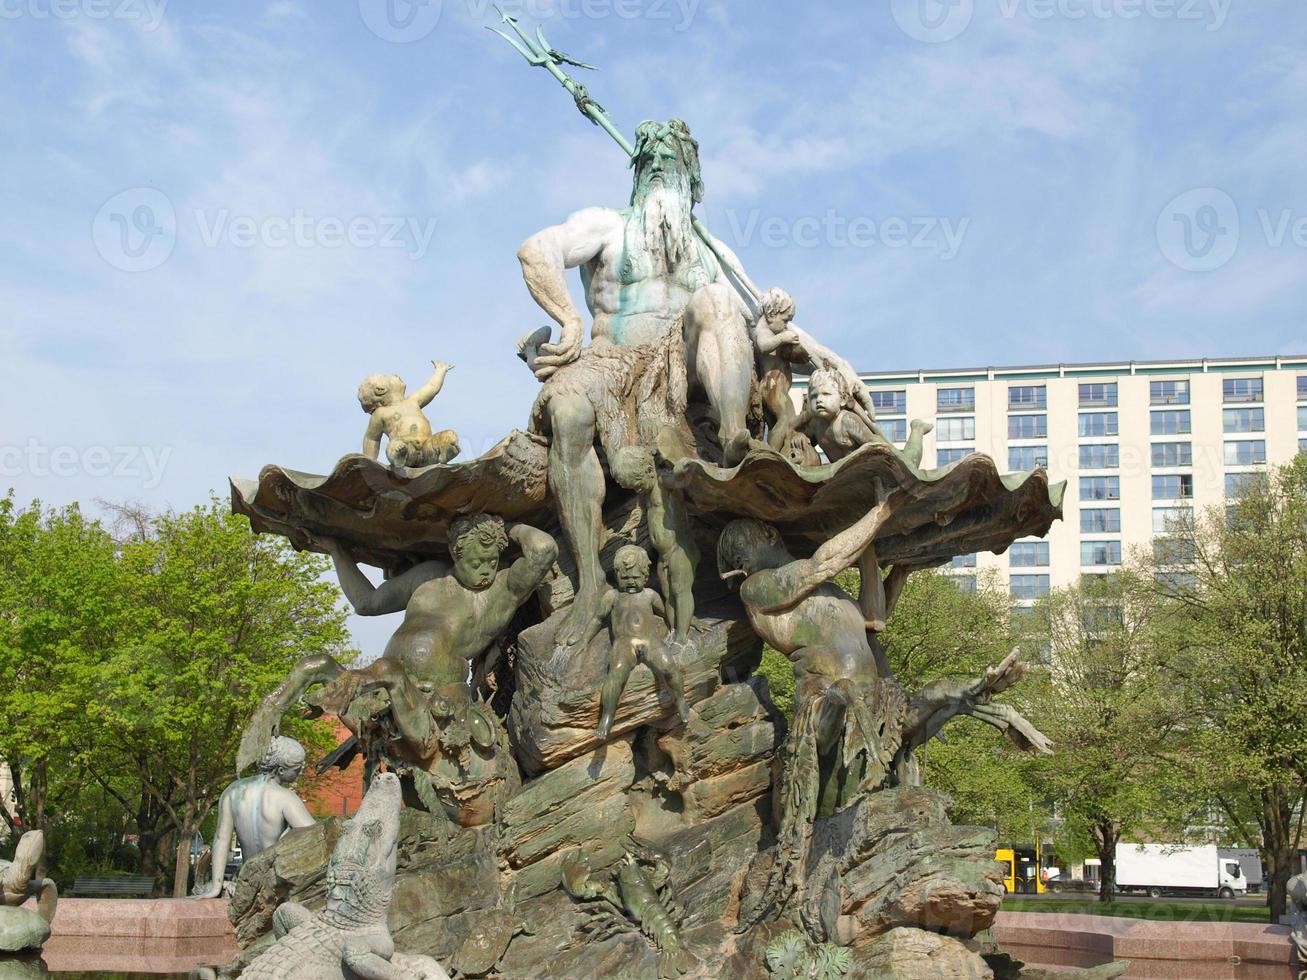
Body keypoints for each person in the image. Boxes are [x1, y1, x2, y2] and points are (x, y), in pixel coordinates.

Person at [516, 119, 758, 648]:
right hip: (609, 358)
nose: (659, 170)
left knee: (718, 303)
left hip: (678, 367)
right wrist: (569, 320)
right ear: (637, 174)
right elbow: (537, 249)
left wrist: (780, 316)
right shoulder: (606, 224)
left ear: (693, 182)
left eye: (672, 162)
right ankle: (587, 586)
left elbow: (755, 328)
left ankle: (734, 437)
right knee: (568, 413)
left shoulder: (715, 254)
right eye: (651, 161)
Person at [577, 545, 688, 740]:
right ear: (617, 575)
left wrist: (679, 626)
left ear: (645, 577)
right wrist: (585, 639)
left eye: (635, 578)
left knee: (669, 667)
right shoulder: (612, 596)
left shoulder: (650, 595)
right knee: (616, 673)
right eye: (625, 578)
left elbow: (667, 612)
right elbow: (596, 619)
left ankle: (680, 700)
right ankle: (608, 715)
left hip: (650, 640)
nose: (630, 582)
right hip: (624, 642)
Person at [194, 737, 314, 899]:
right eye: (297, 768)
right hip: (276, 885)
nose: (300, 772)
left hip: (247, 882)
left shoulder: (233, 791)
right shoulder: (286, 798)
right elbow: (315, 838)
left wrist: (216, 886)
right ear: (280, 770)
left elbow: (221, 839)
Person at [609, 446, 699, 645]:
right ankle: (676, 627)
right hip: (663, 555)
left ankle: (682, 638)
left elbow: (677, 480)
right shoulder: (647, 491)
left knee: (681, 591)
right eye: (632, 488)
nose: (637, 490)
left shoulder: (661, 482)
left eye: (638, 484)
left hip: (679, 550)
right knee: (668, 594)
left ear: (649, 471)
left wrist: (678, 471)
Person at [358, 360, 459, 467]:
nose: (395, 375)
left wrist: (440, 371)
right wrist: (369, 464)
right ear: (380, 390)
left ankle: (445, 452)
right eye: (387, 377)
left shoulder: (413, 400)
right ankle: (399, 457)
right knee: (394, 446)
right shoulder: (381, 413)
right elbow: (372, 438)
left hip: (428, 448)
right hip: (406, 449)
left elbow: (432, 387)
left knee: (449, 436)